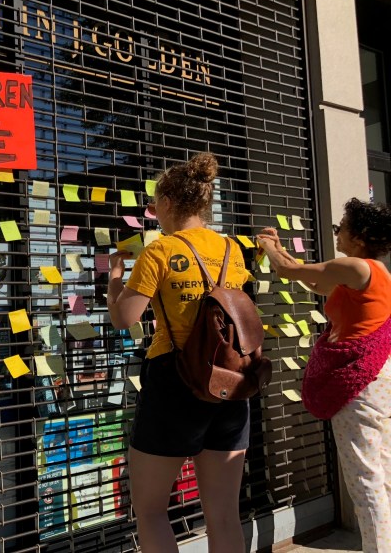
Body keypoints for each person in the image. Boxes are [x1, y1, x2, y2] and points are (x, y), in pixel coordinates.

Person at [108, 152, 251, 553]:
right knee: (223, 515)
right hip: (230, 380)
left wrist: (114, 280)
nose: (154, 213)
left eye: (155, 204)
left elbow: (124, 318)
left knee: (151, 510)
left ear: (168, 204)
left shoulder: (160, 251)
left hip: (175, 380)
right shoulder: (231, 250)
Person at [257, 198, 391, 553]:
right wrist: (280, 251)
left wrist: (269, 246)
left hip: (359, 382)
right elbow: (315, 283)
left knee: (364, 476)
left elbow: (290, 272)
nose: (337, 234)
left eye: (340, 227)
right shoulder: (374, 273)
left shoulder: (358, 267)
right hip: (379, 377)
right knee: (382, 470)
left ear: (359, 236)